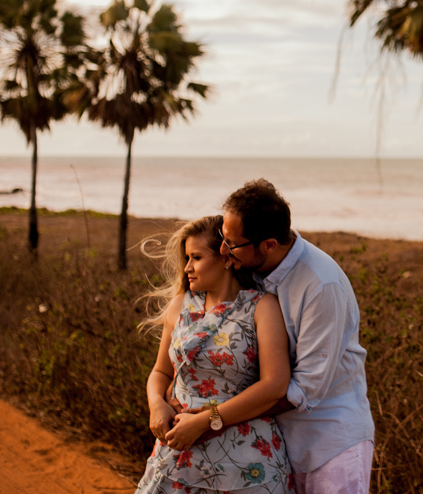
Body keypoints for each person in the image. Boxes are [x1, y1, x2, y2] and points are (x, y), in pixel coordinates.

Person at [219, 179, 375, 494]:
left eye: (232, 243)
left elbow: (306, 389)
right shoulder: (252, 271)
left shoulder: (320, 285)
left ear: (269, 245)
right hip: (280, 445)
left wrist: (219, 417)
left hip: (331, 445)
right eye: (222, 238)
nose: (223, 250)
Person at [136, 215, 292, 494]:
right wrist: (155, 403)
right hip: (179, 454)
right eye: (186, 257)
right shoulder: (179, 305)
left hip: (246, 462)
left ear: (225, 257)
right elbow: (160, 371)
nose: (187, 268)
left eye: (196, 257)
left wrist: (207, 420)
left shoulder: (261, 308)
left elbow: (275, 385)